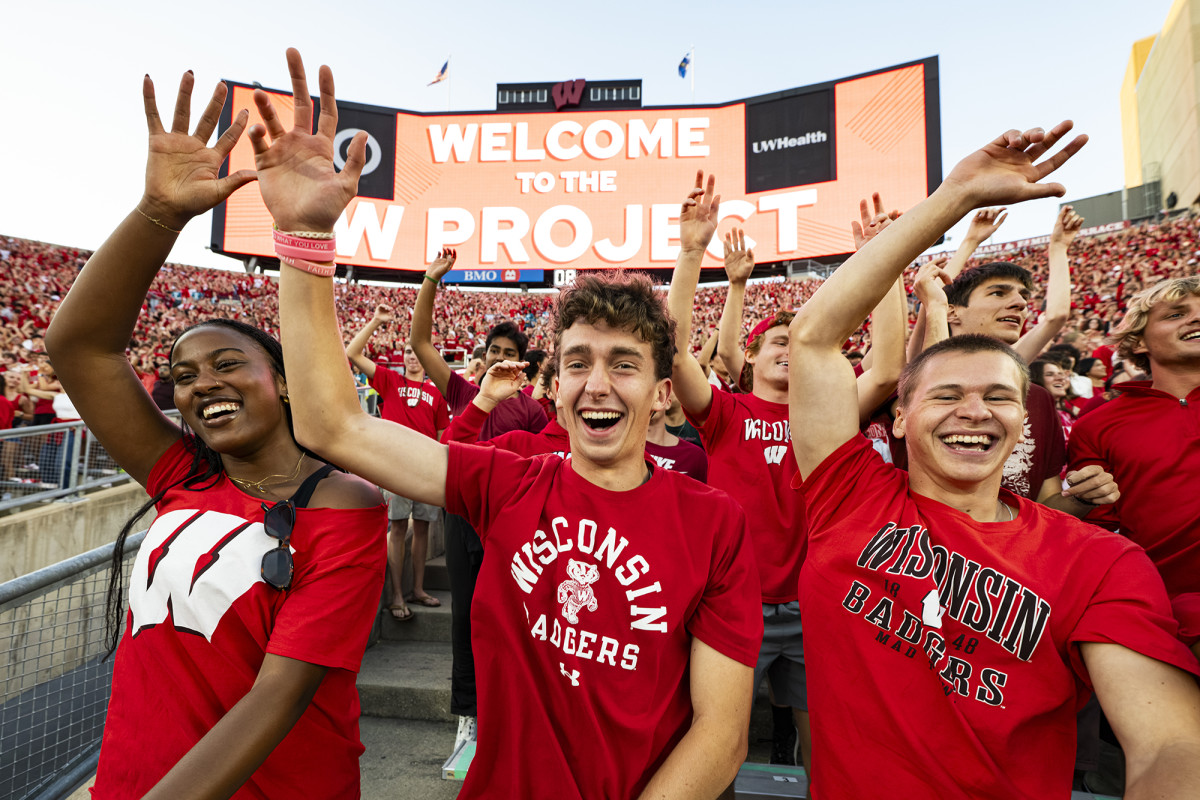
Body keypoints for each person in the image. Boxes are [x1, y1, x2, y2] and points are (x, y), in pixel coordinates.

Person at [256, 49, 762, 799]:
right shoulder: (506, 479)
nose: (597, 383)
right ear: (554, 388)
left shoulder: (716, 523)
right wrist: (303, 242)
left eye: (624, 364)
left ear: (663, 394)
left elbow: (720, 736)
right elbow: (335, 427)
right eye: (579, 361)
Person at [788, 119, 1200, 799]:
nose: (975, 411)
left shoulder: (1100, 561)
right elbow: (814, 338)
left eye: (999, 398)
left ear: (1025, 418)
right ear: (898, 414)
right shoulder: (849, 493)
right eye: (946, 394)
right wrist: (952, 200)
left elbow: (1169, 742)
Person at [44, 67, 386, 799]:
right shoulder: (181, 475)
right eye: (184, 375)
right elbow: (79, 347)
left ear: (286, 380)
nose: (202, 386)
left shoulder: (346, 506)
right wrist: (158, 213)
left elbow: (276, 697)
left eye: (228, 363)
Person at [409, 246, 549, 754]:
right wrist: (430, 281)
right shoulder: (464, 394)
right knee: (466, 613)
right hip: (461, 518)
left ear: (523, 362)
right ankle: (467, 715)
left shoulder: (532, 411)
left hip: (509, 523)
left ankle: (513, 708)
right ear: (484, 355)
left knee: (513, 614)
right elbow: (420, 342)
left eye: (511, 353)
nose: (501, 360)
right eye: (495, 351)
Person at [1069, 276, 1200, 658]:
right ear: (1139, 342)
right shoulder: (1097, 424)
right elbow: (1100, 528)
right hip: (1160, 611)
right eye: (1177, 314)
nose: (1195, 320)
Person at [345, 304, 450, 618]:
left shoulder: (438, 394)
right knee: (397, 527)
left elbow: (444, 435)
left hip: (427, 468)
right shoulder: (390, 381)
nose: (411, 357)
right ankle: (396, 595)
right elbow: (353, 353)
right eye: (406, 351)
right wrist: (376, 320)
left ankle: (417, 590)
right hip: (395, 467)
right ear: (402, 357)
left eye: (416, 352)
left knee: (421, 530)